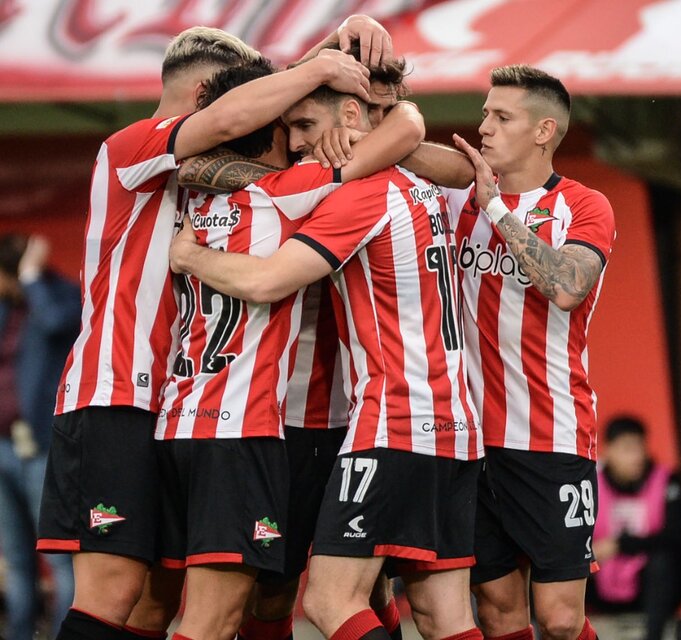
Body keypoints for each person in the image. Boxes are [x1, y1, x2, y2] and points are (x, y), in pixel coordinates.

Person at [35, 20, 379, 640]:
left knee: (155, 599)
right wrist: (325, 71)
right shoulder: (131, 146)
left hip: (171, 407)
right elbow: (233, 118)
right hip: (114, 392)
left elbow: (251, 109)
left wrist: (334, 46)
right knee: (117, 596)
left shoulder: (229, 185)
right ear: (203, 98)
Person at [168, 114, 483, 640]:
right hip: (450, 425)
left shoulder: (355, 193)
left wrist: (188, 255)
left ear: (354, 118)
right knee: (440, 615)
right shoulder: (421, 189)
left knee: (329, 597)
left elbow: (268, 280)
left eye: (307, 124)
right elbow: (440, 151)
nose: (294, 141)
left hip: (381, 421)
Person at [449, 65, 615, 640]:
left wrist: (497, 210)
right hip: (467, 439)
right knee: (496, 610)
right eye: (485, 113)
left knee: (561, 619)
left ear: (544, 131)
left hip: (550, 435)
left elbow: (566, 288)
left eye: (502, 116)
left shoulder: (584, 205)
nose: (484, 126)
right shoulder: (455, 200)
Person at [0, 234, 79, 640]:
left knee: (61, 558)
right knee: (16, 561)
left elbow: (56, 324)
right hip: (3, 448)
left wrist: (31, 278)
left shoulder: (58, 295)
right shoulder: (7, 308)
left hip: (43, 448)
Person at [588, 417, 681, 640]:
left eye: (640, 447)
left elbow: (675, 537)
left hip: (650, 585)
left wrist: (621, 544)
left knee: (664, 563)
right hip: (600, 580)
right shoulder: (589, 483)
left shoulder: (667, 480)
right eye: (627, 449)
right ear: (607, 450)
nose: (637, 457)